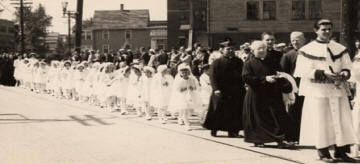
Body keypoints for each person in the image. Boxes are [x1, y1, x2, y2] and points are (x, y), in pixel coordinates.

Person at [294, 19, 358, 163]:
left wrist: (343, 74)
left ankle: (341, 152)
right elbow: (302, 71)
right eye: (323, 29)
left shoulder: (339, 48)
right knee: (321, 121)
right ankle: (323, 153)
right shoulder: (306, 49)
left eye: (329, 29)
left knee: (341, 120)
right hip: (318, 91)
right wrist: (324, 74)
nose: (327, 32)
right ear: (316, 30)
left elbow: (347, 66)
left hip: (337, 89)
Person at [242, 40, 297, 148]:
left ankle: (281, 140)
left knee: (277, 117)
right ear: (253, 51)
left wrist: (283, 83)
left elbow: (282, 75)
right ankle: (258, 140)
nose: (262, 50)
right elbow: (247, 77)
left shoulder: (273, 62)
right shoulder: (248, 64)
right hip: (256, 95)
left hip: (273, 94)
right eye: (259, 48)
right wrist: (264, 79)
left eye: (264, 48)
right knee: (258, 119)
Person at [203, 41, 246, 137]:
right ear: (221, 50)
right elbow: (212, 77)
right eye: (228, 49)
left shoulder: (238, 61)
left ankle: (233, 131)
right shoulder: (217, 62)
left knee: (234, 111)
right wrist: (216, 89)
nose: (231, 51)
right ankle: (214, 129)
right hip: (221, 91)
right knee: (218, 110)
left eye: (232, 49)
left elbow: (242, 75)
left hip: (235, 91)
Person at [280, 31, 307, 143]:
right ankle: (293, 136)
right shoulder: (288, 55)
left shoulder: (311, 53)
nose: (295, 42)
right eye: (292, 40)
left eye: (298, 39)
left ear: (304, 40)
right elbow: (283, 73)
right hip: (295, 89)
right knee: (294, 113)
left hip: (310, 88)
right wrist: (288, 89)